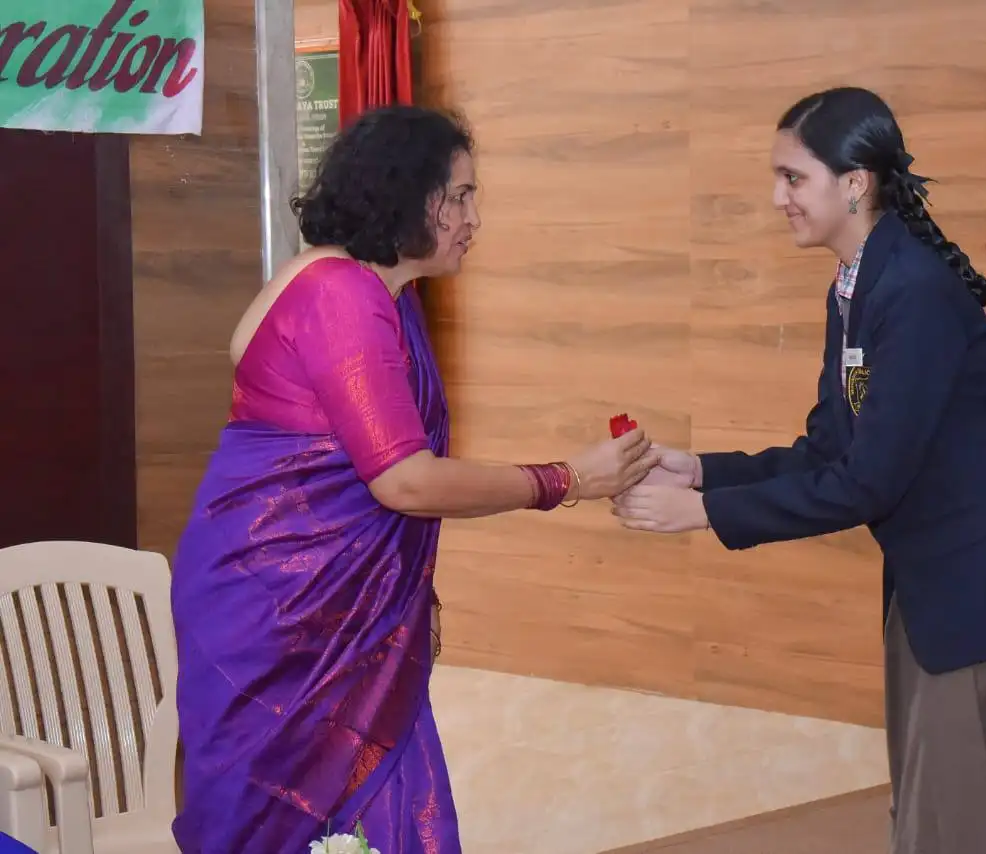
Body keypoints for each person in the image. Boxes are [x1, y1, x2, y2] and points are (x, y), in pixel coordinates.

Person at [613, 87, 986, 854]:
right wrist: (703, 474)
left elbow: (870, 483)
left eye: (793, 177)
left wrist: (702, 516)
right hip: (945, 598)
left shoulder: (913, 292)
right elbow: (832, 448)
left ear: (854, 182)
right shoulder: (857, 288)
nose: (776, 197)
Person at [170, 105, 655, 853]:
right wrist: (564, 479)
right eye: (458, 195)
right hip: (284, 615)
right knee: (285, 818)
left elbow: (257, 359)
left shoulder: (365, 289)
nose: (474, 217)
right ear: (404, 195)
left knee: (384, 798)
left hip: (339, 614)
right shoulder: (342, 292)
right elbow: (402, 480)